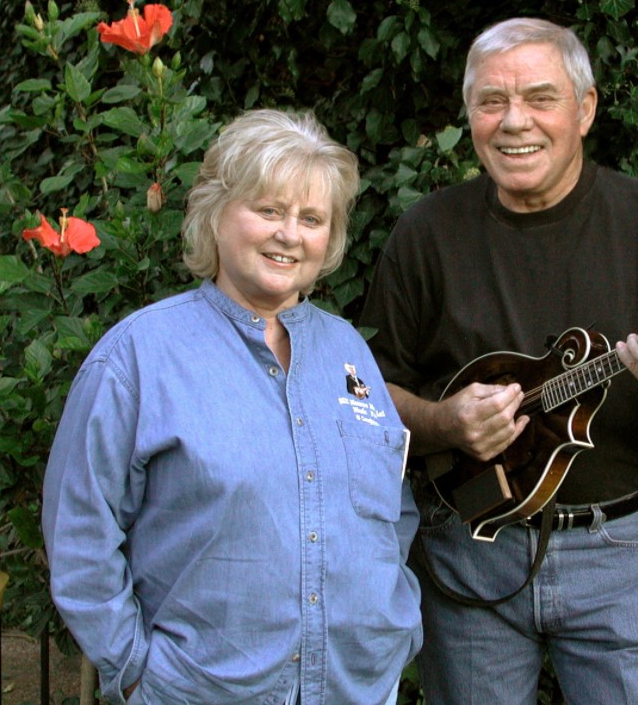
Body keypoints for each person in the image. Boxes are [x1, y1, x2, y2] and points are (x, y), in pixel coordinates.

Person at [359, 18, 638, 704]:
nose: (513, 122)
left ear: (584, 109)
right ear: (468, 114)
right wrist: (443, 422)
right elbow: (371, 393)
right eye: (490, 101)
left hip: (614, 555)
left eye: (539, 98)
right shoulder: (425, 233)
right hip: (468, 549)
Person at [42, 108, 422, 705]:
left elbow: (391, 506)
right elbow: (79, 532)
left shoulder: (349, 352)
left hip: (356, 689)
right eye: (268, 210)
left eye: (311, 218)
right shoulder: (138, 357)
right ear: (214, 213)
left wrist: (394, 626)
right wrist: (136, 670)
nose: (289, 234)